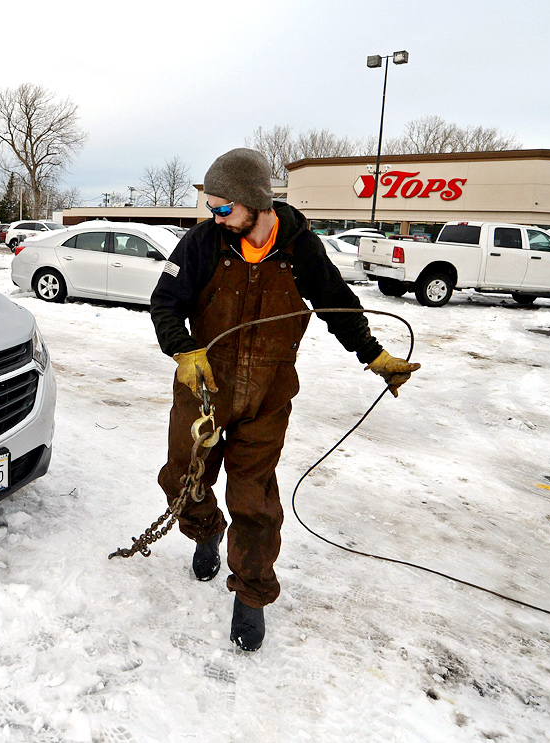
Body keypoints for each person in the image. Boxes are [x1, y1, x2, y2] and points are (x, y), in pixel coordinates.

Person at [149, 148, 420, 651]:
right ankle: (205, 530)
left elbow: (337, 305)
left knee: (254, 500)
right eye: (210, 207)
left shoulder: (300, 248)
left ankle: (250, 597)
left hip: (268, 394)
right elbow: (164, 302)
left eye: (223, 207)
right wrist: (183, 350)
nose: (215, 216)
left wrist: (374, 354)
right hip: (203, 389)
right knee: (183, 477)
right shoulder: (202, 243)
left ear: (254, 203)